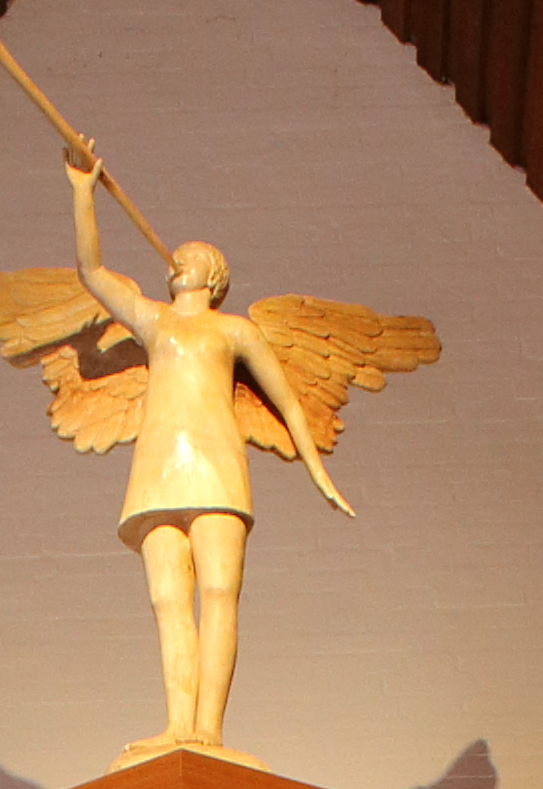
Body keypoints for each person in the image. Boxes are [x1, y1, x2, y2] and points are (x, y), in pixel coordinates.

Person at [65, 151, 353, 756]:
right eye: (179, 255)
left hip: (219, 468)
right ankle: (177, 727)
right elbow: (92, 272)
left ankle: (209, 731)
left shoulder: (235, 330)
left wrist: (317, 469)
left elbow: (290, 403)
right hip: (158, 469)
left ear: (213, 277)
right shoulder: (154, 322)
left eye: (191, 256)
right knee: (169, 599)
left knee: (219, 592)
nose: (179, 259)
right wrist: (83, 192)